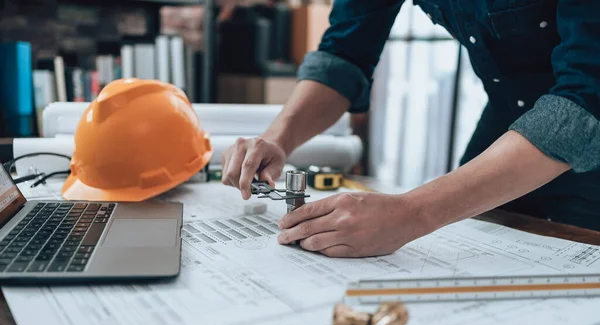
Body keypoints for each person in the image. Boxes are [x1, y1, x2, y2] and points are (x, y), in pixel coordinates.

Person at [221, 0, 600, 258]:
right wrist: (278, 139)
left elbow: (587, 97)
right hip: (508, 118)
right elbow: (344, 55)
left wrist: (412, 213)